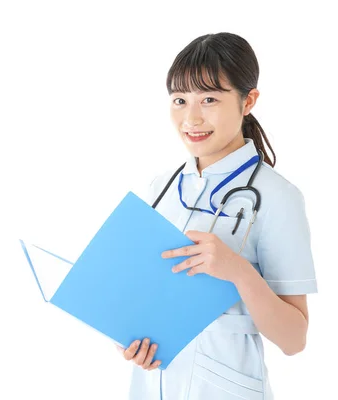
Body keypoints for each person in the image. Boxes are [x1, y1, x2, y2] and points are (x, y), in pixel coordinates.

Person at [116, 32, 318, 399]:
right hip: (151, 386)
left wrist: (238, 270)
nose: (191, 118)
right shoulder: (160, 187)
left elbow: (294, 339)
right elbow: (141, 298)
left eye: (209, 99)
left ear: (248, 101)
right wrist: (130, 341)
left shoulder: (277, 197)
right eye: (180, 100)